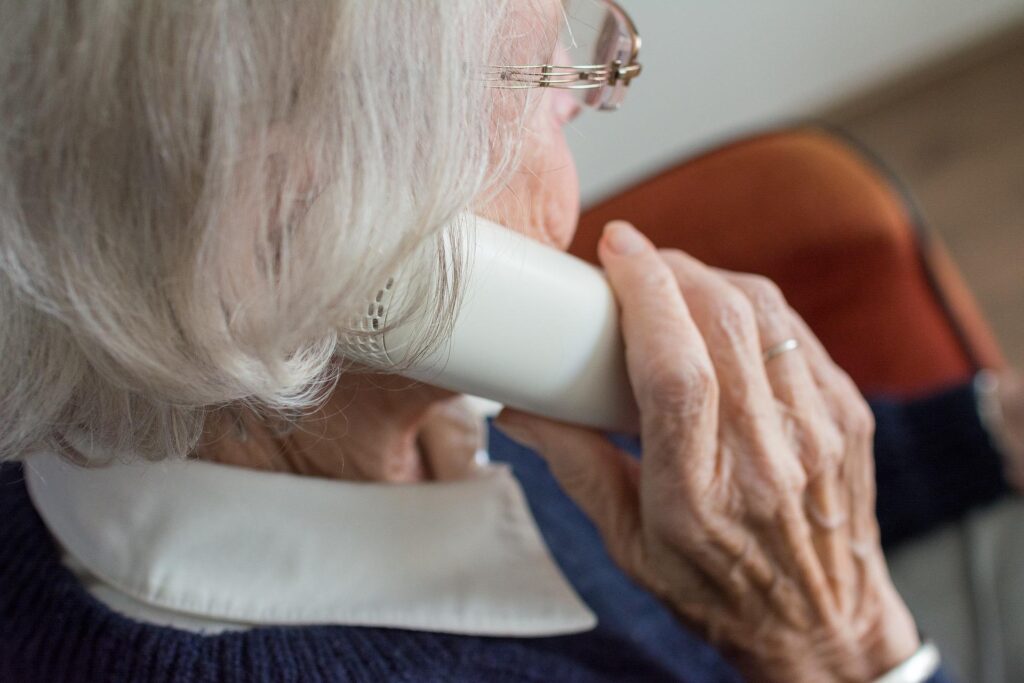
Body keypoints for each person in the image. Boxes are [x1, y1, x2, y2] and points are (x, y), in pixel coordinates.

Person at [2, 1, 1022, 680]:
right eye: (548, 75)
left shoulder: (387, 387)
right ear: (291, 237)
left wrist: (981, 430)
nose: (589, 97)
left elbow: (702, 489)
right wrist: (845, 644)